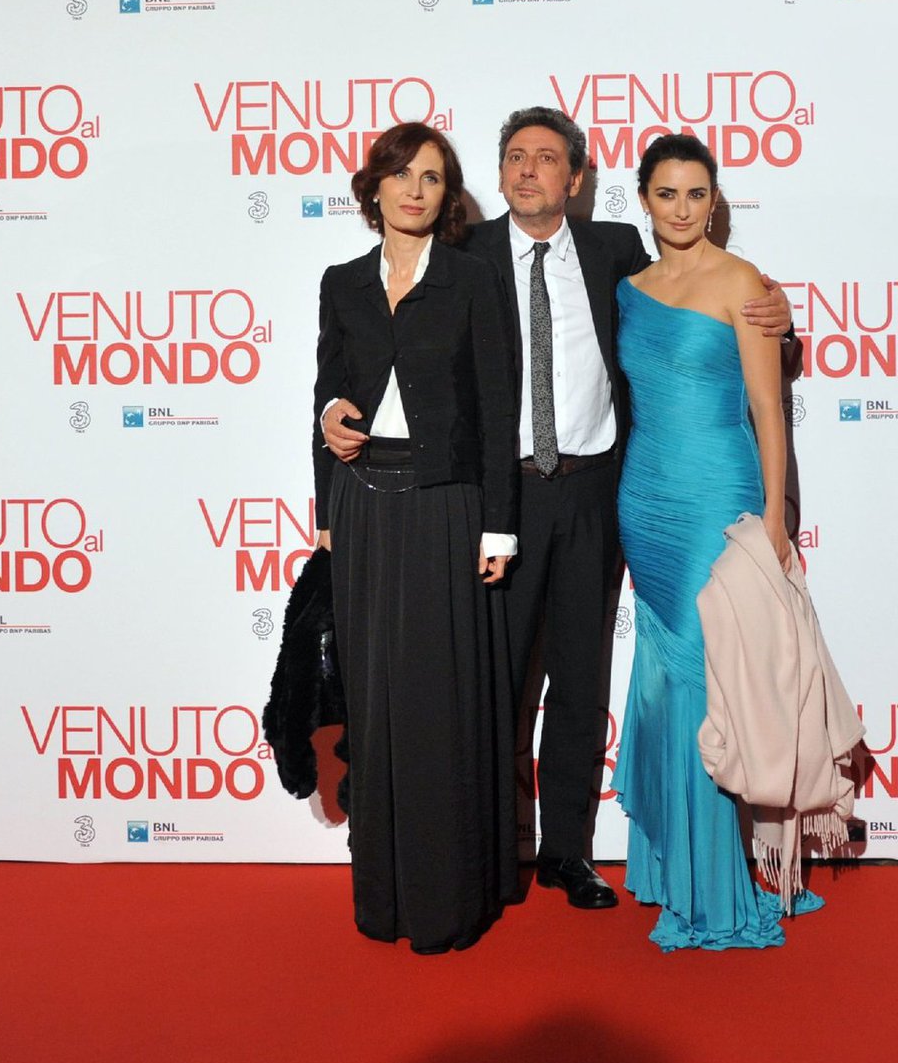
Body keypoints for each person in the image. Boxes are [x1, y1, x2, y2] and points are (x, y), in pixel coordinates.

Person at [323, 107, 788, 912]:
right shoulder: (457, 257)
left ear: (576, 180)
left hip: (599, 490)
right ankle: (492, 847)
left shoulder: (617, 253)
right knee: (492, 679)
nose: (529, 170)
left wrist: (774, 310)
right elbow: (379, 342)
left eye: (547, 159)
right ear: (498, 175)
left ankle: (568, 854)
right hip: (491, 496)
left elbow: (695, 287)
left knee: (580, 676)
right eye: (515, 157)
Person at [311, 123, 519, 954]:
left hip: (446, 506)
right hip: (362, 505)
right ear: (374, 188)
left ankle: (447, 901)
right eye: (401, 174)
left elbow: (498, 408)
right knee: (376, 700)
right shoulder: (341, 283)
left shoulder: (471, 282)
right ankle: (383, 895)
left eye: (432, 178)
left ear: (447, 196)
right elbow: (326, 389)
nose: (415, 190)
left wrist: (498, 520)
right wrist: (328, 438)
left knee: (437, 702)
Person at [613, 133, 817, 950]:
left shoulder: (744, 283)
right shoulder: (627, 289)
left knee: (709, 680)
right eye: (668, 193)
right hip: (645, 500)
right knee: (664, 684)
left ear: (715, 200)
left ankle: (717, 887)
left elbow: (770, 410)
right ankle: (670, 865)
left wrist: (774, 515)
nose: (683, 209)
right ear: (645, 199)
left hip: (719, 500)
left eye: (697, 194)